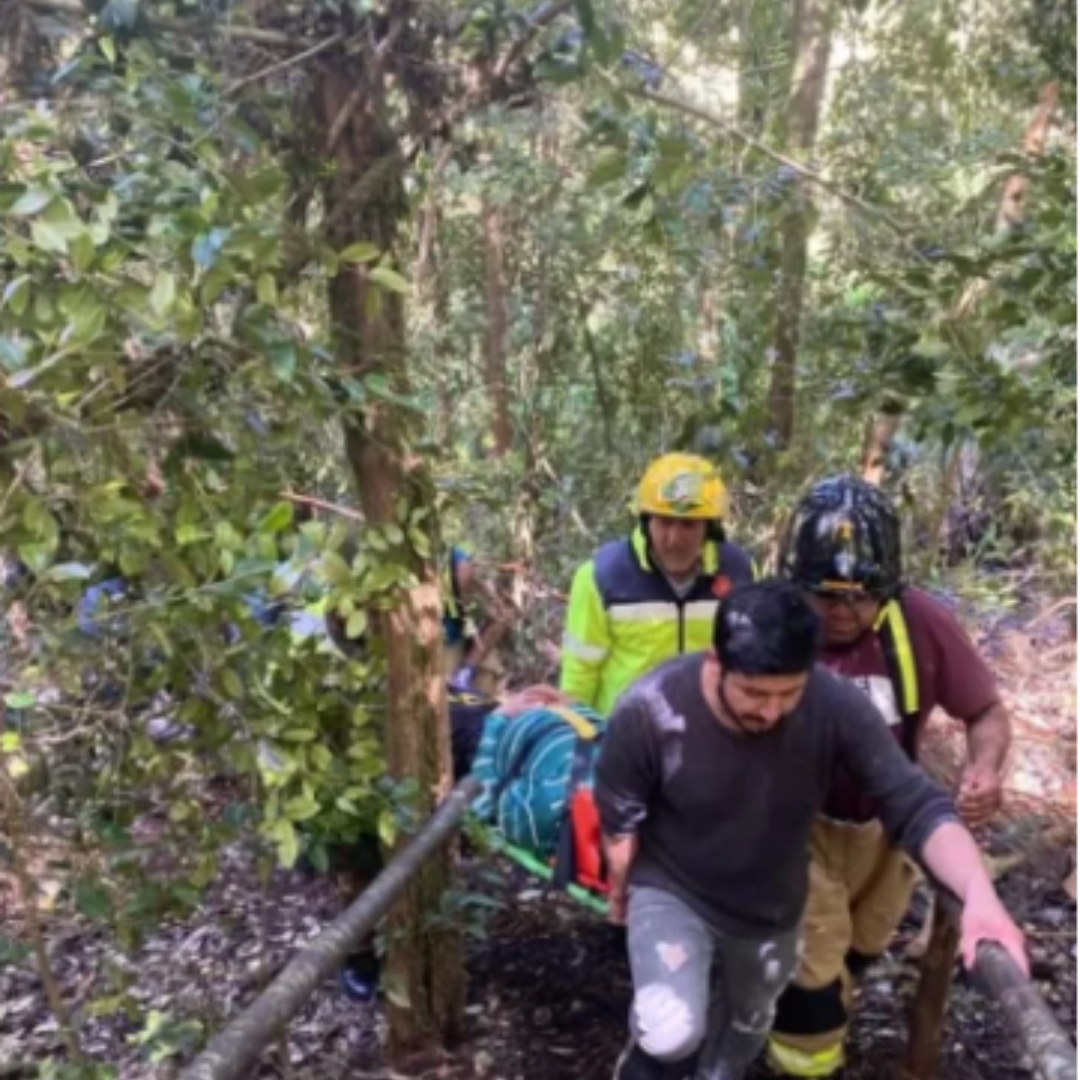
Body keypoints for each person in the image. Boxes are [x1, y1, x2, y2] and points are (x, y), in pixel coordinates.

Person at [594, 580, 1026, 1080]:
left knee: (744, 1033)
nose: (772, 711)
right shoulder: (650, 708)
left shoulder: (834, 704)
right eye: (755, 692)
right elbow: (620, 818)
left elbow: (913, 803)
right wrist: (621, 899)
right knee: (670, 1033)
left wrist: (979, 895)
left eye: (789, 693)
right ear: (716, 662)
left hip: (769, 908)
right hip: (674, 890)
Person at [767, 475, 1013, 1079]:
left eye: (860, 596)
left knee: (862, 948)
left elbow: (985, 710)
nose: (843, 612)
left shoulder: (919, 624)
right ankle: (803, 1057)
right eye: (825, 597)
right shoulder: (767, 625)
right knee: (812, 977)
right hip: (791, 825)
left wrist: (984, 767)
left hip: (885, 828)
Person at [561, 453, 754, 716]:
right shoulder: (601, 576)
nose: (674, 539)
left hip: (708, 735)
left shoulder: (740, 573)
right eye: (664, 522)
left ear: (709, 528)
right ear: (646, 520)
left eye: (688, 524)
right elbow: (578, 678)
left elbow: (751, 663)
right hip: (624, 737)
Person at [443, 543, 513, 695]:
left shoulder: (456, 556)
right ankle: (464, 674)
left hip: (460, 631)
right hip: (447, 638)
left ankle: (465, 673)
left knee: (501, 618)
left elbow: (472, 576)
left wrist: (493, 598)